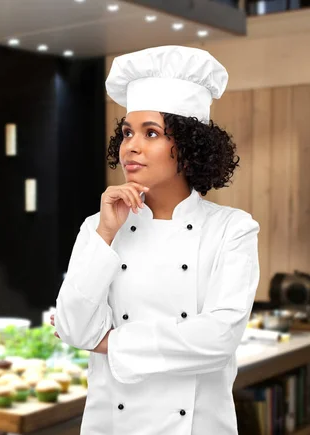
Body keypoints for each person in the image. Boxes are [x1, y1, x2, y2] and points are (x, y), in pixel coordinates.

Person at [51, 45, 260, 435]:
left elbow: (218, 339)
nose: (131, 145)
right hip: (112, 424)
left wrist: (110, 343)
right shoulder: (98, 226)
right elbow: (74, 328)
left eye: (151, 133)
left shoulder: (232, 229)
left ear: (189, 146)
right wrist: (107, 232)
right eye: (128, 132)